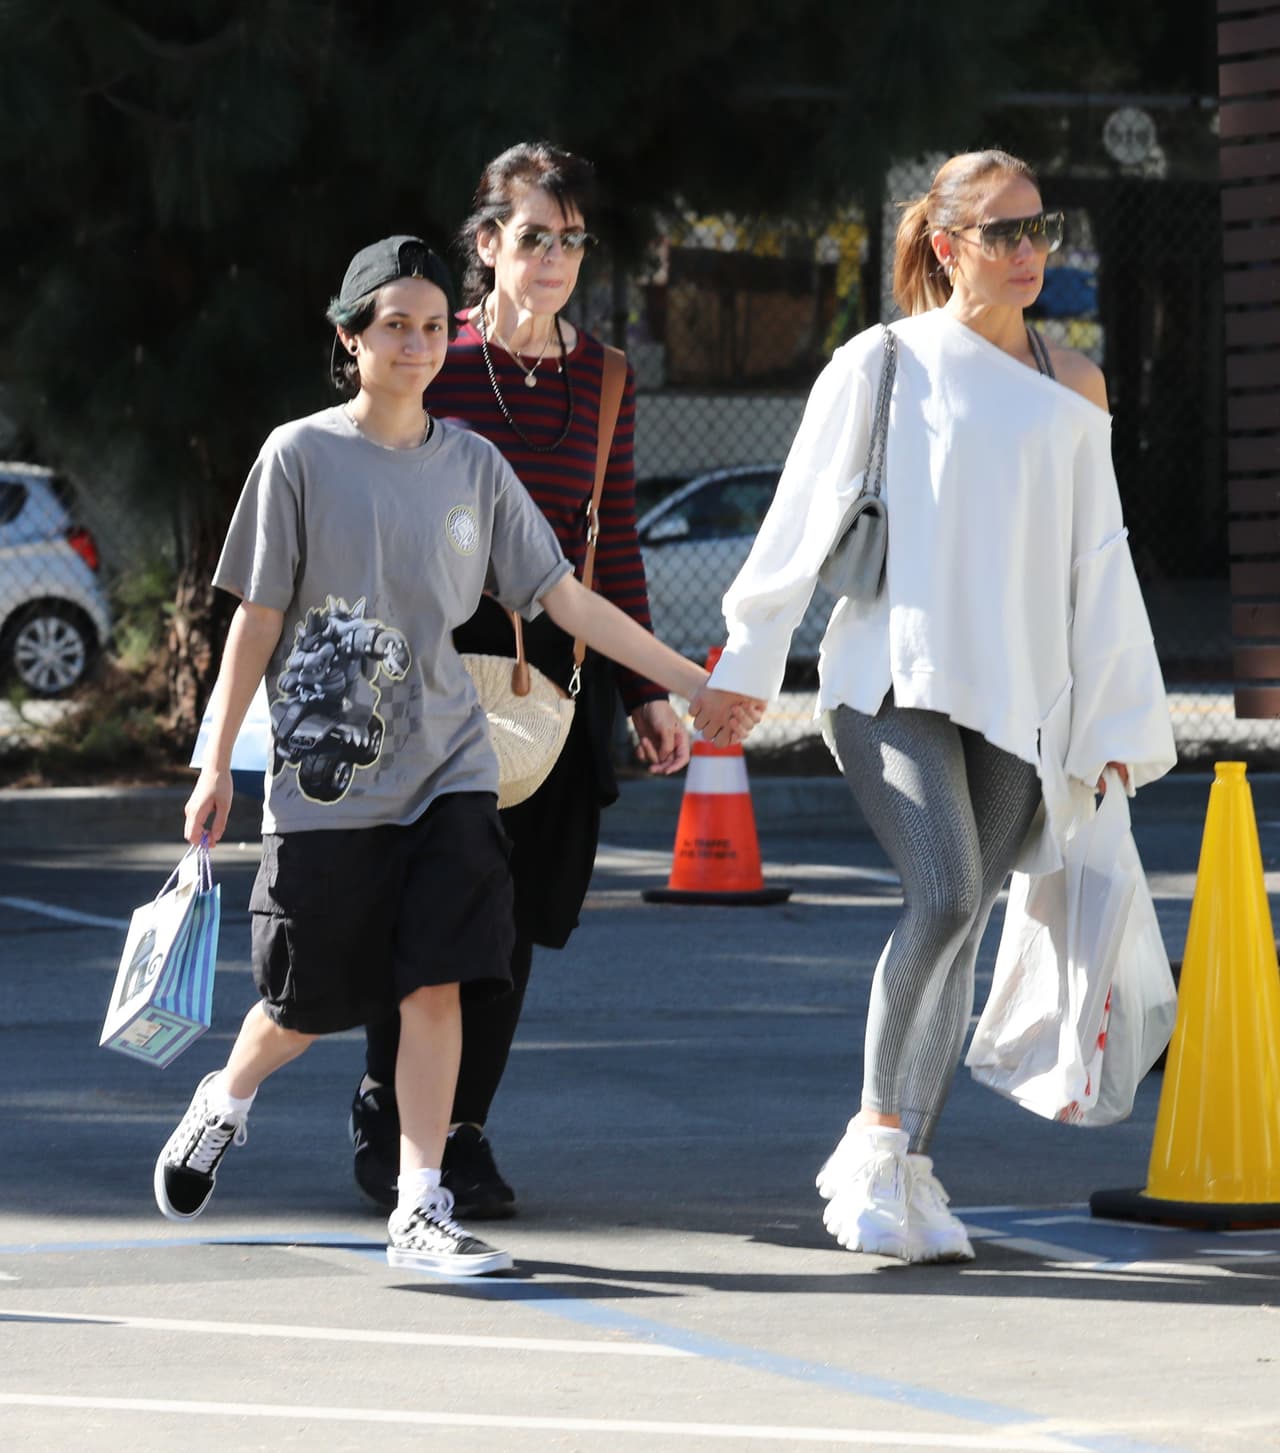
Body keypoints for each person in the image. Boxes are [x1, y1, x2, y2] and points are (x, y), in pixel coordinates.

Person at [155, 235, 729, 1277]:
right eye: (393, 327)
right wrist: (211, 764)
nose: (416, 344)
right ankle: (224, 1096)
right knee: (307, 1001)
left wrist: (686, 680)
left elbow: (563, 596)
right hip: (331, 775)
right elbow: (255, 619)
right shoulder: (298, 456)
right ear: (349, 338)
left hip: (450, 767)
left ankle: (419, 1207)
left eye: (430, 325)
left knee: (440, 981)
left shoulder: (471, 461)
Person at [695, 150, 1176, 1263]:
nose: (1026, 253)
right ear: (945, 244)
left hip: (1020, 698)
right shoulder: (881, 363)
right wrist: (744, 667)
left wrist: (1110, 722)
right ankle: (869, 1145)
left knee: (961, 919)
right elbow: (798, 519)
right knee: (948, 889)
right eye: (1001, 233)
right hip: (890, 683)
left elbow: (1096, 564)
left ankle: (907, 1169)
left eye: (1038, 229)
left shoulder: (1075, 384)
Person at [350, 143, 694, 1219]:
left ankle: (461, 1128)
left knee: (512, 918)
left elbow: (614, 539)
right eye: (531, 235)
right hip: (430, 664)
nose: (551, 258)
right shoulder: (433, 361)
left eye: (570, 239)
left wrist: (646, 693)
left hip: (555, 676)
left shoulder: (604, 379)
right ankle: (394, 1119)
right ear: (486, 243)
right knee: (434, 902)